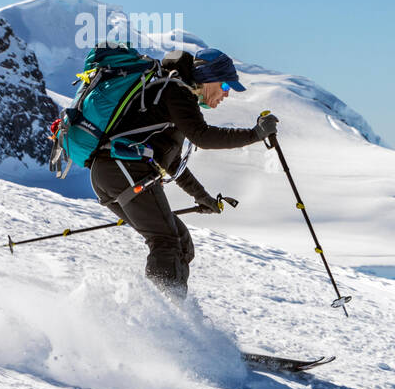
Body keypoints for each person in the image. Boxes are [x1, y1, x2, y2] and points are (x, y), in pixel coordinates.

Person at [88, 47, 278, 299]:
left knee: (181, 242)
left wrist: (202, 197)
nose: (226, 93)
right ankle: (160, 317)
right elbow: (204, 136)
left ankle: (174, 310)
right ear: (208, 77)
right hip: (122, 169)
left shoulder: (172, 95)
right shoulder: (175, 90)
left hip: (114, 173)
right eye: (224, 85)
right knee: (165, 240)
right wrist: (255, 134)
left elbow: (172, 162)